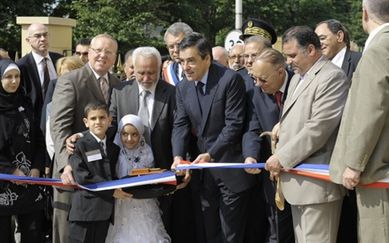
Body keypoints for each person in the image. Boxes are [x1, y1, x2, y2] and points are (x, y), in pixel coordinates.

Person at [329, 1, 389, 243]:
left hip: (376, 164)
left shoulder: (379, 48)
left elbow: (370, 111)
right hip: (387, 157)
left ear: (364, 13)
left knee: (378, 235)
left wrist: (355, 163)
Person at [265, 26, 348, 243]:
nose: (288, 61)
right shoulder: (297, 78)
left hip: (317, 186)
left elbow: (318, 128)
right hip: (297, 182)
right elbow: (295, 118)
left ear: (311, 49)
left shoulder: (332, 77)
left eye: (292, 55)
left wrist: (281, 158)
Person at [171, 32, 255, 243]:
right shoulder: (182, 88)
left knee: (230, 235)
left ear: (207, 58)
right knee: (209, 233)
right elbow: (180, 125)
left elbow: (234, 124)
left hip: (230, 170)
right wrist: (178, 156)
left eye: (191, 61)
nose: (185, 67)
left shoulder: (230, 80)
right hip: (203, 176)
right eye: (182, 62)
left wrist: (210, 154)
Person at [109, 46, 198, 242]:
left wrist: (182, 160)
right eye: (141, 72)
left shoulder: (174, 93)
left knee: (162, 224)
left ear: (159, 69)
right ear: (133, 68)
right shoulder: (119, 92)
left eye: (152, 72)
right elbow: (110, 129)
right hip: (127, 174)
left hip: (163, 170)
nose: (147, 78)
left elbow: (179, 129)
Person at [50, 33, 120, 243]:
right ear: (89, 52)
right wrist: (65, 164)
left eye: (108, 52)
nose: (102, 56)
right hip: (72, 170)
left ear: (115, 57)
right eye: (98, 50)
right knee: (69, 233)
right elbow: (59, 124)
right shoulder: (70, 80)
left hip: (102, 174)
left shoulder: (118, 84)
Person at [314, 18, 361, 243]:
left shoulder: (360, 61)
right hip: (326, 157)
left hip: (353, 155)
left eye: (322, 38)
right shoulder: (318, 68)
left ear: (340, 36)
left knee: (353, 220)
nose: (318, 43)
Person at [243, 48, 295, 243]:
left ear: (281, 72)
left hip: (300, 172)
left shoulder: (301, 85)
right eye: (255, 78)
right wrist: (251, 155)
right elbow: (253, 128)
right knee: (275, 228)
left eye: (263, 79)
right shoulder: (256, 93)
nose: (258, 84)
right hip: (272, 175)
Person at [68, 102, 131, 243]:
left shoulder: (113, 148)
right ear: (86, 122)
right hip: (84, 213)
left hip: (104, 213)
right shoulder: (78, 145)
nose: (98, 122)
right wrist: (112, 191)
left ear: (109, 120)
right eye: (93, 118)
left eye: (102, 118)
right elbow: (82, 177)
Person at [0, 59, 45, 243]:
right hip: (3, 185)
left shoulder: (25, 103)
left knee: (34, 232)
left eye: (17, 76)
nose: (14, 81)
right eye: (8, 77)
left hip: (29, 181)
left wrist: (36, 167)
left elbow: (38, 140)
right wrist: (11, 171)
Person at [106, 114, 170, 243]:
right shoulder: (115, 152)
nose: (129, 139)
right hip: (122, 202)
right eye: (124, 134)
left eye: (134, 134)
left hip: (144, 202)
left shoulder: (148, 152)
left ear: (140, 134)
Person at [17, 23, 63, 125]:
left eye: (45, 35)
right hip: (35, 122)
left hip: (60, 118)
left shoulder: (60, 60)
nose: (43, 39)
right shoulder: (22, 66)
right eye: (37, 36)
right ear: (28, 40)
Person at [43, 56, 85, 160]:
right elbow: (51, 142)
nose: (68, 81)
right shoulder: (52, 106)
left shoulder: (92, 99)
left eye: (72, 75)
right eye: (63, 77)